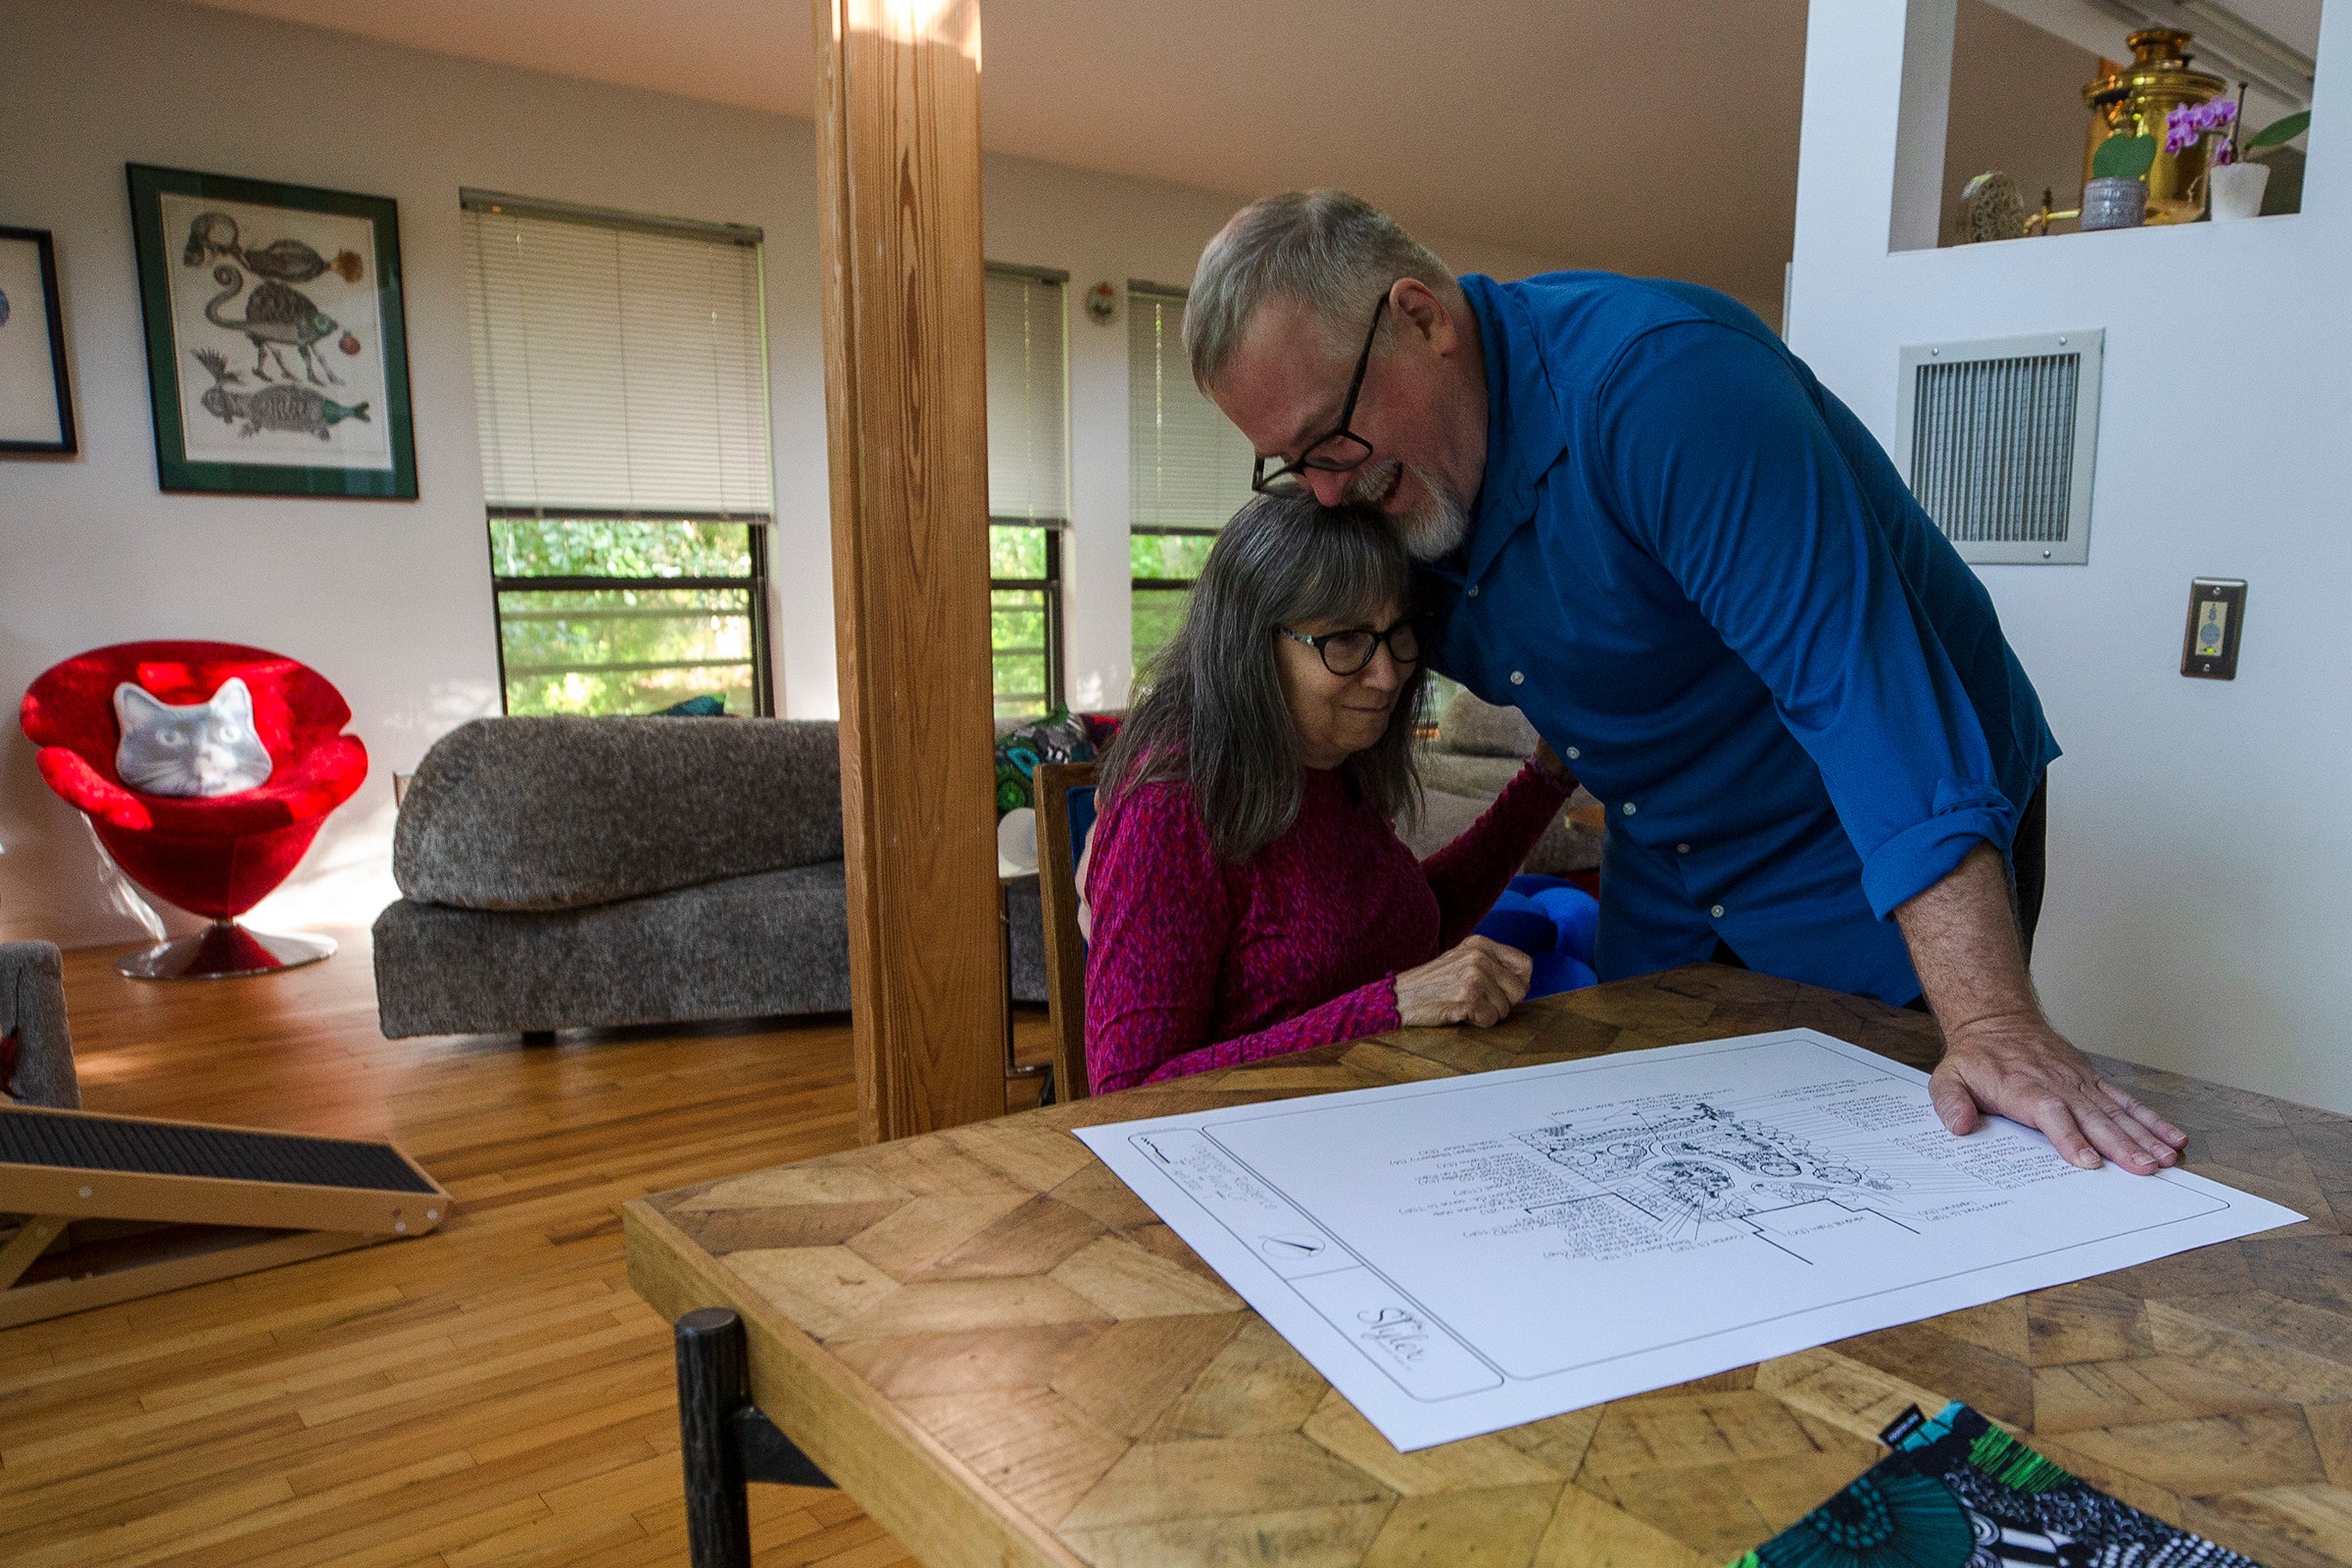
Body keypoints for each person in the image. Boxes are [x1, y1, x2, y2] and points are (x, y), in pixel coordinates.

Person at [1180, 190, 2186, 1176]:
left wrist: (1993, 1018)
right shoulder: (1393, 478)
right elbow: (1278, 640)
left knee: (1895, 1168)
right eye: (1288, 464)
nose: (1323, 489)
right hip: (1670, 849)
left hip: (1866, 830)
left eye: (1328, 438)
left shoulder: (1661, 387)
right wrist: (1161, 799)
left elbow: (1865, 692)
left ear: (1420, 317)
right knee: (1644, 1155)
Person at [1082, 494, 1572, 1095]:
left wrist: (1548, 775)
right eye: (1344, 640)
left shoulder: (1329, 761)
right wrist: (1388, 1008)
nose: (1388, 674)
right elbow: (1129, 1093)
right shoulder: (1173, 807)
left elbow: (1409, 922)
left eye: (1399, 634)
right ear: (1251, 648)